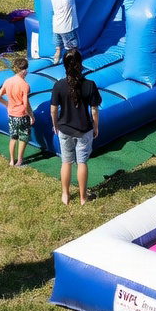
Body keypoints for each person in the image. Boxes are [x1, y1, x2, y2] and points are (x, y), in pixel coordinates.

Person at [50, 49, 101, 206]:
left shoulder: (59, 85)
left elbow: (53, 109)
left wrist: (55, 125)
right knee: (82, 163)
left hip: (64, 129)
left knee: (66, 162)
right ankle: (82, 197)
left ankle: (65, 195)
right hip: (83, 130)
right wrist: (95, 127)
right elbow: (94, 109)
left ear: (64, 65)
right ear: (80, 64)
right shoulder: (89, 85)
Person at [0, 56, 34, 167]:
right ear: (22, 70)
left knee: (13, 137)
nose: (26, 71)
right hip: (22, 115)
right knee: (23, 137)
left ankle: (12, 160)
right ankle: (20, 160)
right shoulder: (24, 85)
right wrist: (31, 116)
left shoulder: (8, 81)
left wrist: (7, 104)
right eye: (25, 69)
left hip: (11, 114)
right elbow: (26, 104)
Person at [51, 0, 90, 64]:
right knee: (73, 48)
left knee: (58, 47)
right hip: (66, 26)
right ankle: (72, 64)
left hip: (56, 25)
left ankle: (56, 58)